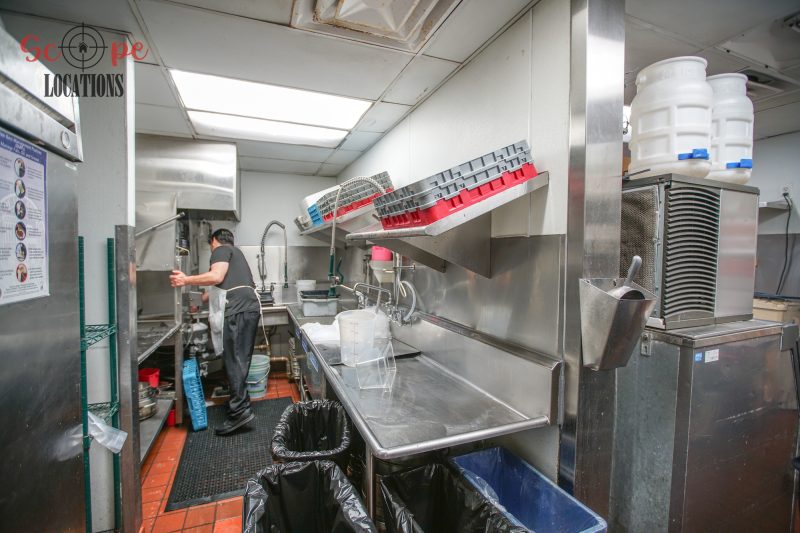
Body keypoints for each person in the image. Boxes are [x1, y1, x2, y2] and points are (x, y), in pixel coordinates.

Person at [170, 228, 260, 435]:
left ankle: (239, 413)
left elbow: (216, 276)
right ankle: (241, 404)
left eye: (211, 244)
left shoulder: (221, 250)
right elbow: (217, 287)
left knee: (235, 361)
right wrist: (198, 301)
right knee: (239, 360)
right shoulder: (236, 254)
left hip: (237, 310)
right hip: (247, 309)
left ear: (214, 241)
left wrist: (186, 279)